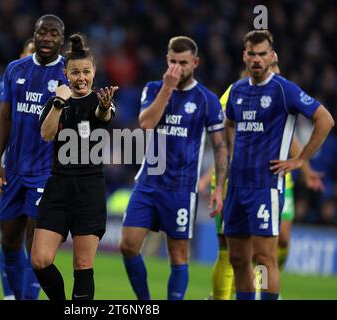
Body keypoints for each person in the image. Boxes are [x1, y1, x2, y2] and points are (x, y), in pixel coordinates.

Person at [223, 30, 334, 300]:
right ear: (245, 56)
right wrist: (232, 154)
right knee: (238, 258)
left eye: (263, 54)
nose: (257, 59)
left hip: (265, 186)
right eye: (253, 54)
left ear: (271, 57)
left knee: (264, 257)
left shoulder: (284, 89)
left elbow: (325, 120)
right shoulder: (237, 90)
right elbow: (228, 123)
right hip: (236, 186)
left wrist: (301, 159)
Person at [119, 36, 228, 300]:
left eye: (183, 62)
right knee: (128, 246)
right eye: (172, 62)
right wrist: (167, 90)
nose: (177, 68)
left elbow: (220, 148)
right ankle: (145, 302)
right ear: (166, 60)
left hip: (181, 189)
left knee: (178, 254)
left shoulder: (207, 100)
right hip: (148, 183)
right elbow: (146, 124)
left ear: (195, 63)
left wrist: (219, 188)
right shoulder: (154, 87)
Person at [31, 33, 117, 300]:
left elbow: (104, 115)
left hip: (89, 189)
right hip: (58, 187)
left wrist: (104, 107)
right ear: (66, 73)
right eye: (75, 72)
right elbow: (45, 134)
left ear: (94, 72)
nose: (81, 77)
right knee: (40, 260)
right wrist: (59, 102)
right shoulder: (56, 102)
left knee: (82, 265)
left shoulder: (101, 101)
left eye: (86, 71)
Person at [0, 14, 66, 300]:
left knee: (35, 247)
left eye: (53, 33)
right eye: (41, 32)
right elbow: (4, 119)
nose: (46, 38)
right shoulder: (15, 69)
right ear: (34, 35)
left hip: (47, 173)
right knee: (9, 241)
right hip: (14, 169)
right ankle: (18, 296)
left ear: (62, 39)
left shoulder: (68, 74)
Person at [0, 38, 35, 300]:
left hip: (40, 173)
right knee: (10, 236)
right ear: (21, 55)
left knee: (35, 241)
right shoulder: (4, 86)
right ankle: (10, 295)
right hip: (10, 171)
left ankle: (27, 295)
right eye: (29, 53)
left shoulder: (56, 82)